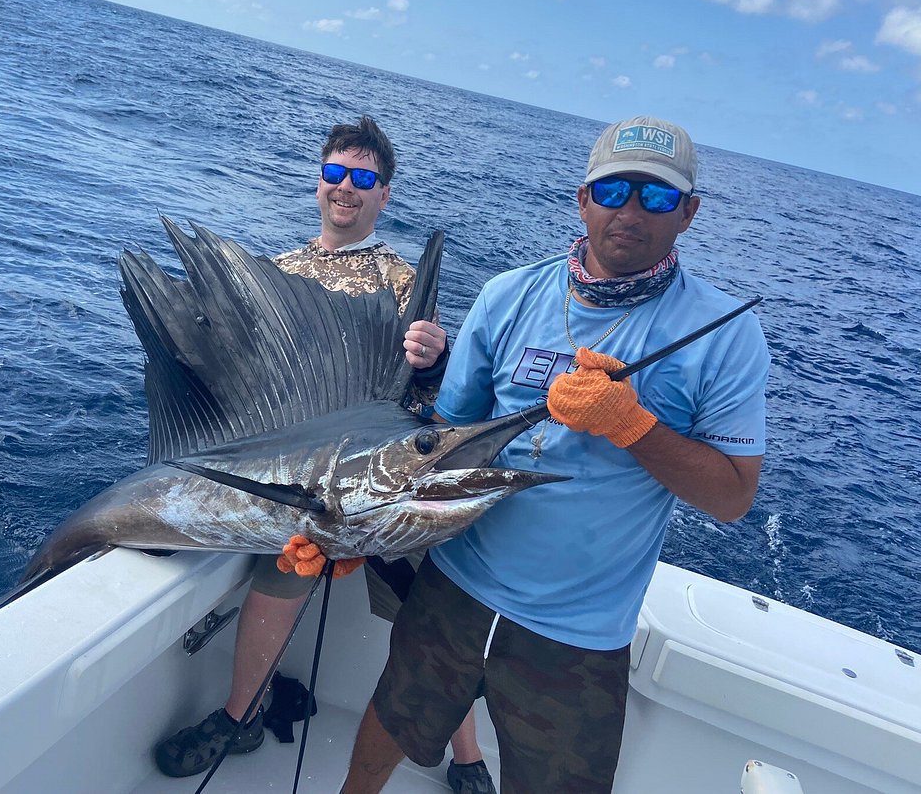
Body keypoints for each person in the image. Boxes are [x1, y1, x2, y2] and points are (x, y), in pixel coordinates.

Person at [338, 116, 770, 793]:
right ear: (583, 199)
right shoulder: (506, 295)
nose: (630, 211)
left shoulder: (728, 335)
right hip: (455, 586)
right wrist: (351, 531)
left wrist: (632, 425)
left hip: (580, 633)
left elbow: (733, 497)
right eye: (614, 191)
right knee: (392, 718)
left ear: (689, 213)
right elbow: (445, 444)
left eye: (656, 197)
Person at [155, 116, 497, 794]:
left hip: (386, 489)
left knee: (433, 616)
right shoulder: (276, 273)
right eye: (336, 174)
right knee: (275, 585)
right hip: (302, 492)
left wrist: (438, 354)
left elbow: (429, 403)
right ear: (319, 182)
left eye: (363, 178)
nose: (346, 188)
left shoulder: (401, 282)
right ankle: (239, 716)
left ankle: (468, 755)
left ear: (384, 195)